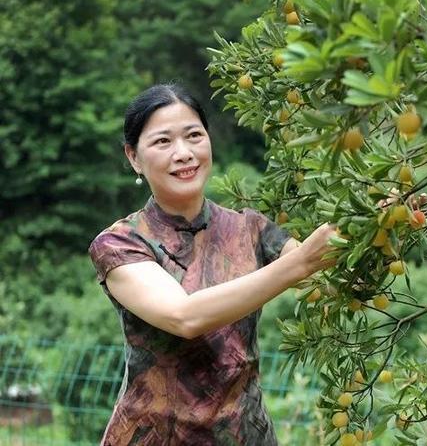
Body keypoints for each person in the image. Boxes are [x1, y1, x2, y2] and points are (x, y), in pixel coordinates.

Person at [88, 83, 337, 445]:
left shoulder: (250, 228)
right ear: (134, 157)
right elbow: (184, 317)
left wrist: (379, 226)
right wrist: (300, 263)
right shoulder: (120, 243)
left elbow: (324, 280)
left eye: (194, 135)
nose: (184, 153)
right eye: (163, 142)